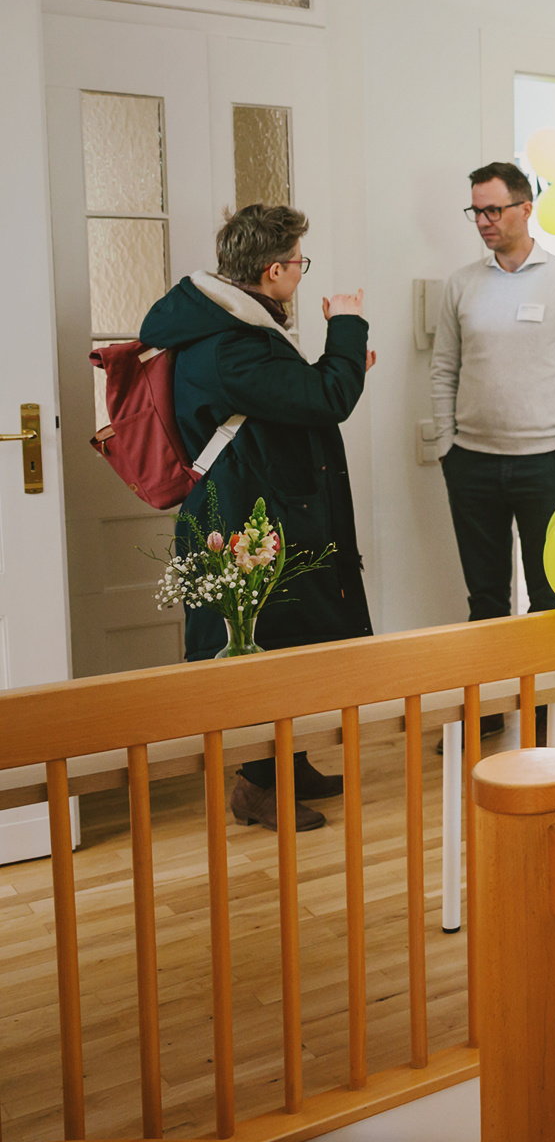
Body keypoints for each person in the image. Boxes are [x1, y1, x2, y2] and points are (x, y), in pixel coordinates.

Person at [141, 204, 374, 832]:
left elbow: (292, 399)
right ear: (273, 270)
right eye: (298, 262)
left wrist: (339, 367)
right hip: (243, 513)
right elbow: (327, 397)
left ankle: (288, 765)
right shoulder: (231, 343)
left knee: (286, 638)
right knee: (258, 646)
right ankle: (256, 785)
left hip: (259, 502)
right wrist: (347, 328)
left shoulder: (230, 326)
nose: (300, 271)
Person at [431, 161, 555, 736]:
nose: (483, 220)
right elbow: (443, 369)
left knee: (549, 599)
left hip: (544, 466)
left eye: (493, 209)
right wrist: (447, 445)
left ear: (525, 209)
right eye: (476, 210)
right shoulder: (461, 284)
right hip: (472, 464)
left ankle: (540, 720)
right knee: (485, 600)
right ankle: (485, 713)